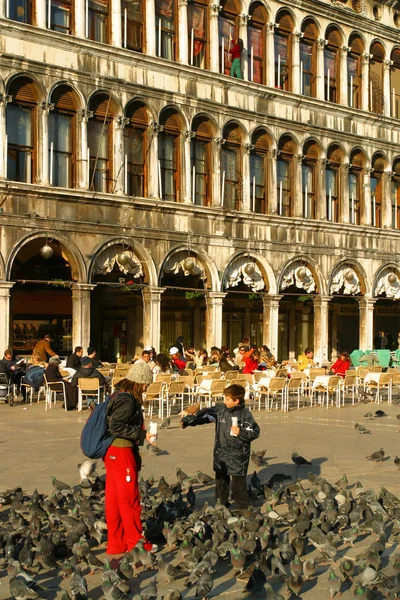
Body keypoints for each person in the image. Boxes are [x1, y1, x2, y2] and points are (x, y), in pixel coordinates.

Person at [104, 361, 157, 554]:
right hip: (121, 452)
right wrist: (142, 434)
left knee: (114, 500)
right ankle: (136, 542)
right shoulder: (127, 400)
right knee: (129, 499)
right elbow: (116, 426)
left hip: (111, 453)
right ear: (139, 382)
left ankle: (116, 543)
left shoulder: (117, 394)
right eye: (145, 385)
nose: (146, 388)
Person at [181, 384, 260, 509]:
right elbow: (205, 415)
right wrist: (189, 421)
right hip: (221, 453)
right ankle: (221, 505)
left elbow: (255, 432)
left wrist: (241, 432)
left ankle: (244, 507)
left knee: (238, 485)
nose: (224, 401)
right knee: (221, 482)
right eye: (225, 398)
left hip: (238, 455)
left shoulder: (245, 415)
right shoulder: (220, 410)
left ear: (236, 401)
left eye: (227, 399)